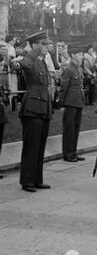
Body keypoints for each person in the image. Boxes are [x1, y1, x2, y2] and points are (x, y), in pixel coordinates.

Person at [11, 32, 53, 193]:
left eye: (46, 43)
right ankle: (27, 181)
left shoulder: (42, 62)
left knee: (40, 146)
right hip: (32, 109)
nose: (46, 46)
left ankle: (37, 180)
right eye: (43, 43)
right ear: (35, 45)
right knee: (31, 147)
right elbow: (25, 64)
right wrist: (35, 51)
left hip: (43, 108)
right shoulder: (29, 59)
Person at [60, 47, 86, 163]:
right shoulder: (68, 69)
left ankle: (73, 152)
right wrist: (62, 104)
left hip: (78, 102)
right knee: (69, 129)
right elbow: (64, 88)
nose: (82, 56)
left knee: (76, 129)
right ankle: (67, 154)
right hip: (70, 103)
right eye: (79, 54)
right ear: (73, 55)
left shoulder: (79, 69)